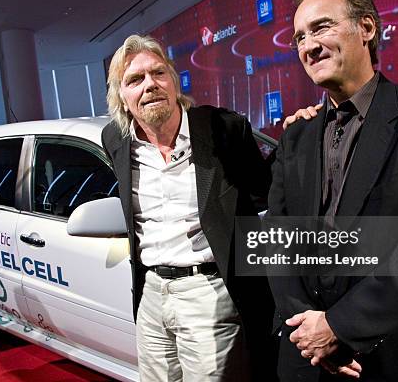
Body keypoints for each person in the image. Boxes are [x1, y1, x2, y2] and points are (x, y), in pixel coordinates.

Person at [266, 0, 398, 381]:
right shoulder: (294, 137)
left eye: (322, 27)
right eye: (300, 37)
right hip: (304, 356)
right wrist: (307, 330)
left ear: (367, 28)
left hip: (393, 358)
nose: (309, 46)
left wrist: (340, 327)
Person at [102, 34, 277, 381]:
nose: (149, 85)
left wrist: (302, 134)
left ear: (174, 80)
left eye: (158, 73)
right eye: (135, 80)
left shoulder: (223, 129)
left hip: (209, 291)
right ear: (122, 97)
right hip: (150, 293)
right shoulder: (115, 140)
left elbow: (266, 192)